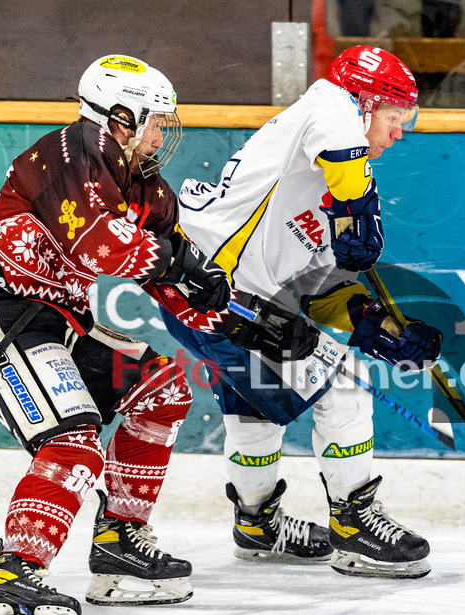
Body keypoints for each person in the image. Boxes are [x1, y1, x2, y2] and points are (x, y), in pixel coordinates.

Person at [0, 54, 231, 615]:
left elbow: (174, 281)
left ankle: (119, 544)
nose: (160, 134)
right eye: (153, 121)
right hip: (1, 308)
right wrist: (182, 265)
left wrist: (249, 325)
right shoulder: (72, 149)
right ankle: (11, 581)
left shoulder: (143, 184)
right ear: (119, 116)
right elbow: (103, 245)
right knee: (73, 442)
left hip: (60, 319)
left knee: (163, 389)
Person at [151, 46, 443, 579]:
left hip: (221, 301)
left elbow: (319, 287)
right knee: (343, 384)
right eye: (395, 117)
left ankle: (257, 522)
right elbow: (346, 164)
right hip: (215, 294)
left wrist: (381, 328)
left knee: (255, 403)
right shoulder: (328, 107)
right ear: (366, 102)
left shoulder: (333, 170)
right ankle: (354, 523)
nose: (399, 133)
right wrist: (357, 211)